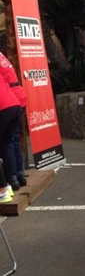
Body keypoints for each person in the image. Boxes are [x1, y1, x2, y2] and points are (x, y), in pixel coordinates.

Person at [0, 52, 27, 190]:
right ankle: (19, 175)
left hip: (8, 100)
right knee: (14, 139)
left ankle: (10, 179)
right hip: (17, 98)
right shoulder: (1, 56)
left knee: (7, 143)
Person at [0, 71, 21, 204]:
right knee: (4, 146)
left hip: (3, 108)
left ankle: (2, 191)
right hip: (14, 105)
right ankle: (8, 186)